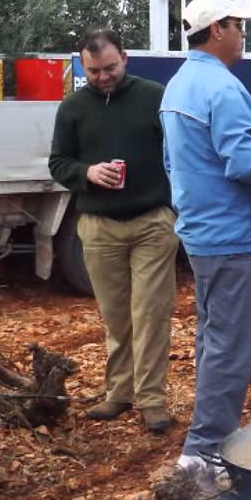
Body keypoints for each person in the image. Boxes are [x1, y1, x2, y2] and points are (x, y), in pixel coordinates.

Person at [160, 0, 251, 483]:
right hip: (233, 237)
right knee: (232, 348)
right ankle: (205, 449)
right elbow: (244, 163)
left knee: (212, 339)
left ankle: (206, 437)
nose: (243, 34)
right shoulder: (224, 88)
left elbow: (171, 163)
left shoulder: (178, 86)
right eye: (238, 26)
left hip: (202, 233)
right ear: (217, 29)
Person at [48, 29, 176, 432]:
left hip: (153, 221)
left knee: (151, 313)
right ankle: (120, 393)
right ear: (82, 66)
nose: (103, 76)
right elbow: (58, 163)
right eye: (94, 71)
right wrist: (86, 172)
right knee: (116, 315)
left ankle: (152, 400)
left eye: (110, 68)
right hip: (99, 226)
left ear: (126, 57)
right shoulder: (72, 108)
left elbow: (179, 151)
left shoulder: (155, 96)